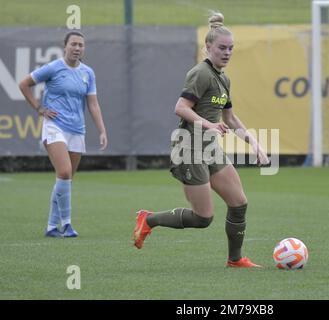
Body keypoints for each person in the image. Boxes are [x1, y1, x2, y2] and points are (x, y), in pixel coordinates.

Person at [133, 12, 269, 268]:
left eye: (231, 48)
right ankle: (148, 219)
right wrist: (207, 124)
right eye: (222, 48)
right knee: (203, 218)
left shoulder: (223, 78)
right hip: (189, 149)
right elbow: (180, 107)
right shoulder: (201, 73)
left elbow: (229, 118)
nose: (227, 53)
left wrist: (255, 144)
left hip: (209, 148)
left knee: (239, 203)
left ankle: (235, 259)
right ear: (208, 47)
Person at [19, 31, 108, 238]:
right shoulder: (53, 68)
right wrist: (39, 108)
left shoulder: (88, 73)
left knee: (65, 179)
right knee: (65, 172)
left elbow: (93, 104)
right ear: (65, 46)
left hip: (77, 130)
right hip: (54, 126)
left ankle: (51, 227)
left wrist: (102, 130)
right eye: (74, 44)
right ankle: (67, 225)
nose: (77, 48)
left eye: (81, 45)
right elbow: (24, 84)